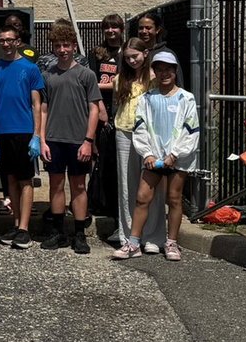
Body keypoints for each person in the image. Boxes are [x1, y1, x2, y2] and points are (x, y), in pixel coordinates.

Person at [113, 51, 199, 263]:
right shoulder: (147, 98)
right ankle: (133, 243)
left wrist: (175, 154)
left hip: (178, 158)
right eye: (159, 69)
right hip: (154, 157)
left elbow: (191, 130)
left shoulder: (186, 98)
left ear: (175, 71)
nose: (164, 74)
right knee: (142, 198)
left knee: (174, 198)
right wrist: (148, 153)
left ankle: (171, 242)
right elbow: (140, 127)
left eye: (168, 69)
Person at [39, 22, 101, 255]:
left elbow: (94, 108)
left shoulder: (86, 75)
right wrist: (42, 139)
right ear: (53, 48)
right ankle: (58, 232)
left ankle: (79, 234)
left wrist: (88, 140)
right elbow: (43, 109)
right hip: (54, 138)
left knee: (78, 186)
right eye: (58, 45)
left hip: (78, 140)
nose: (63, 49)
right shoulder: (47, 75)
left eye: (66, 45)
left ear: (74, 46)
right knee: (55, 186)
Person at [0, 25, 43, 250]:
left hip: (24, 131)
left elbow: (36, 104)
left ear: (18, 41)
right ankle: (16, 223)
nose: (6, 44)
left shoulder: (30, 69)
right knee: (10, 181)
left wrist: (36, 135)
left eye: (10, 40)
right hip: (2, 132)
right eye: (2, 40)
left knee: (25, 180)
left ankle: (25, 230)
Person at [110, 38, 165, 251]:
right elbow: (118, 104)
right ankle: (128, 234)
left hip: (150, 134)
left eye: (136, 56)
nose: (133, 60)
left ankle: (154, 237)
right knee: (126, 183)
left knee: (153, 184)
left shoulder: (154, 78)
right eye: (128, 58)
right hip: (124, 130)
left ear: (145, 53)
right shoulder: (119, 79)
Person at [89, 14, 124, 217]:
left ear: (121, 29)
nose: (111, 31)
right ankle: (99, 200)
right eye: (107, 27)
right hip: (101, 110)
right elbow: (92, 82)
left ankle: (117, 203)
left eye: (115, 27)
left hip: (122, 110)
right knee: (99, 157)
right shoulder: (97, 53)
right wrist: (100, 106)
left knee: (119, 159)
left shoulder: (127, 52)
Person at [136, 12, 184, 85]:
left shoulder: (167, 54)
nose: (144, 31)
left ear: (157, 30)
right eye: (141, 28)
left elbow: (178, 82)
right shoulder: (133, 53)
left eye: (148, 28)